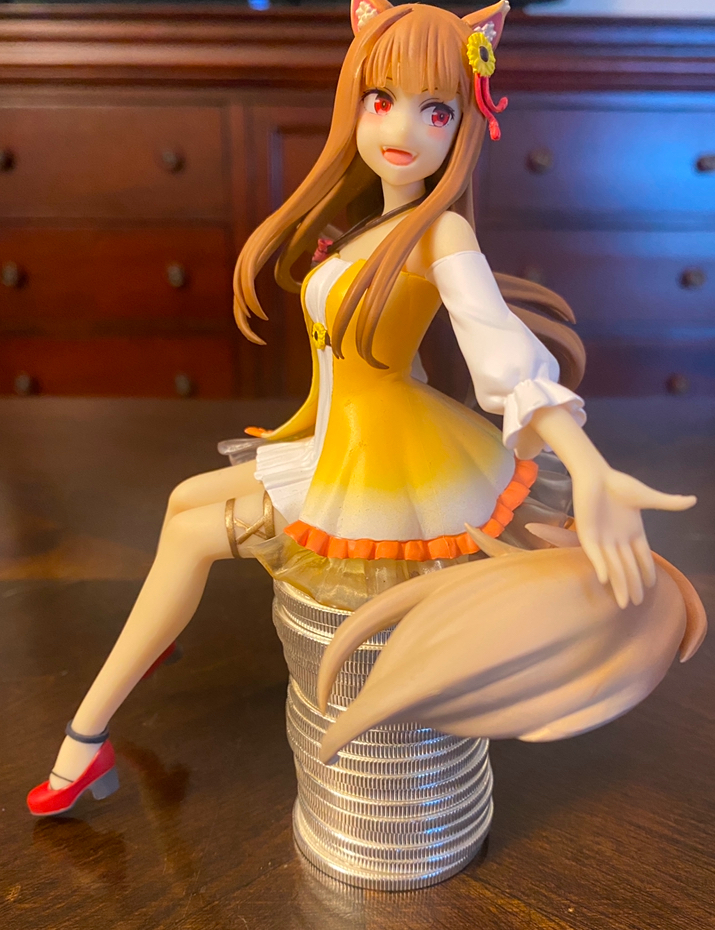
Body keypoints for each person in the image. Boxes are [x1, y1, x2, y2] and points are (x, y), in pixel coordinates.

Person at [27, 0, 695, 816]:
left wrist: (588, 467)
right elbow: (371, 357)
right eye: (382, 99)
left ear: (465, 127)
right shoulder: (365, 228)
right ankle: (157, 632)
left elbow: (499, 351)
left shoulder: (439, 236)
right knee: (180, 502)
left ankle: (86, 737)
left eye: (436, 110)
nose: (402, 127)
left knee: (193, 535)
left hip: (385, 468)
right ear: (354, 105)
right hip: (344, 441)